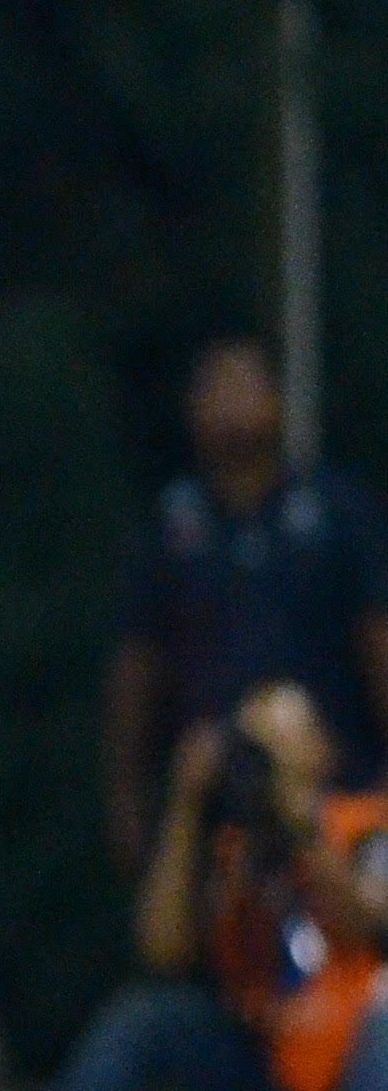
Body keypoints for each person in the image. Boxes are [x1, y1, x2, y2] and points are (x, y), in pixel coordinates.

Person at [9, 681, 388, 1091]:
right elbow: (162, 951)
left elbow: (370, 923)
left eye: (285, 740)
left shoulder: (360, 823)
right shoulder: (231, 849)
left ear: (322, 750)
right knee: (145, 1019)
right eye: (255, 747)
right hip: (272, 1082)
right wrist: (186, 807)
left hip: (354, 1083)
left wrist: (303, 828)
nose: (269, 761)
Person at [103, 336, 388, 873]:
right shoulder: (170, 529)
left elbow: (377, 638)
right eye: (214, 387)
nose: (229, 401)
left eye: (243, 383)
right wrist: (126, 792)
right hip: (212, 800)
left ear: (278, 398)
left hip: (336, 787)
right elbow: (137, 668)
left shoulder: (336, 513)